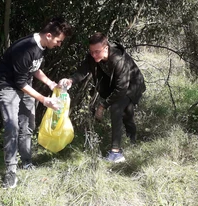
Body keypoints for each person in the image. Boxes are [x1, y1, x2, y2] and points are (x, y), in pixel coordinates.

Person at [0, 17, 72, 189]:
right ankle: (11, 171)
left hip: (24, 86)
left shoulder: (41, 47)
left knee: (28, 126)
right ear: (49, 35)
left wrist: (51, 83)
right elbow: (19, 83)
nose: (59, 45)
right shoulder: (25, 48)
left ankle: (27, 162)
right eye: (59, 41)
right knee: (12, 126)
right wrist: (45, 100)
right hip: (8, 88)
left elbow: (34, 68)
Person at [59, 32, 146, 163]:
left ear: (106, 48)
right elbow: (83, 70)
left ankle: (116, 152)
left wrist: (102, 105)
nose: (93, 55)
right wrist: (70, 80)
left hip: (132, 86)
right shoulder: (93, 55)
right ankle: (132, 138)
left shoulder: (118, 59)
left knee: (116, 108)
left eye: (97, 52)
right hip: (116, 86)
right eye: (91, 52)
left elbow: (121, 89)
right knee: (126, 112)